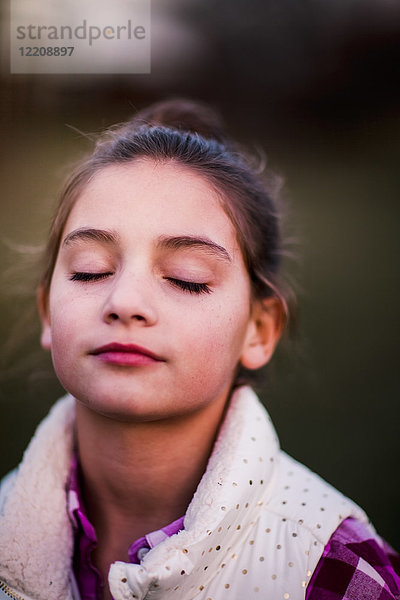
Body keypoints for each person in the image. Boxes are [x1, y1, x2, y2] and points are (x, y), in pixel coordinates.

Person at [0, 99, 398, 600]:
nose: (125, 302)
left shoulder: (332, 570)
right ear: (46, 312)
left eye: (187, 279)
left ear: (259, 328)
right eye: (91, 269)